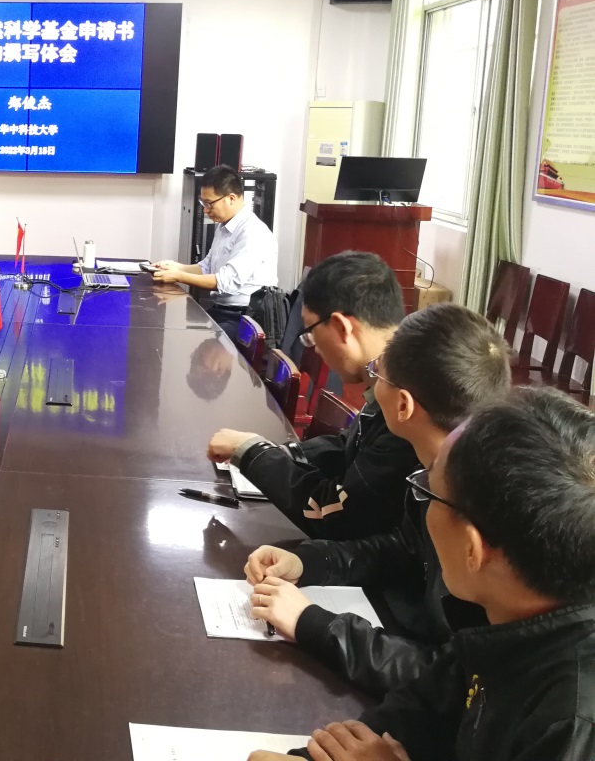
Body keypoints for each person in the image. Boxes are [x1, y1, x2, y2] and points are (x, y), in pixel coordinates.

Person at [248, 388, 595, 761]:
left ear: (472, 549)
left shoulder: (570, 721)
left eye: (428, 489)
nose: (423, 503)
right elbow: (418, 710)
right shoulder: (500, 622)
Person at [246, 304, 511, 696]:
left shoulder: (484, 513)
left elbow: (459, 683)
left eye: (377, 375)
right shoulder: (442, 467)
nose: (369, 386)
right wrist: (310, 561)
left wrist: (312, 623)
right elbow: (402, 548)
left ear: (403, 405)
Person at [207, 251, 413, 540]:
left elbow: (334, 514)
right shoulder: (394, 371)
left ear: (341, 327)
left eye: (311, 332)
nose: (313, 346)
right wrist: (278, 453)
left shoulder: (406, 406)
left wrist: (254, 453)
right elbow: (348, 447)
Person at [153, 165, 278, 338]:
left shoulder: (253, 232)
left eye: (209, 203)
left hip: (244, 318)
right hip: (223, 311)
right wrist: (176, 267)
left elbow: (226, 281)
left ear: (231, 198)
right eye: (203, 203)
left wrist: (179, 276)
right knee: (177, 329)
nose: (205, 210)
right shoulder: (224, 226)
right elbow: (207, 267)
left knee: (190, 339)